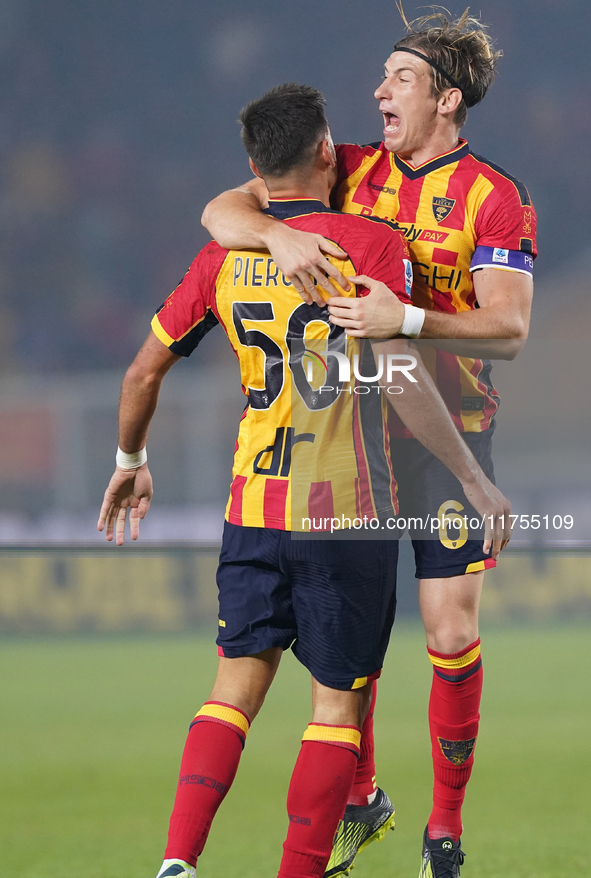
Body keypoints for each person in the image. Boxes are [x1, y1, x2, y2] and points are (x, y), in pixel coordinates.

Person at [98, 83, 510, 878]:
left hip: (251, 506)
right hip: (348, 514)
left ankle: (178, 859)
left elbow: (142, 373)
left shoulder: (224, 253)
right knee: (336, 709)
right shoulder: (371, 243)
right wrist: (472, 478)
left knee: (229, 694)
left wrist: (129, 463)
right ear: (327, 152)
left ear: (253, 170)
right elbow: (395, 372)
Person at [200, 10, 536, 878]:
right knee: (355, 627)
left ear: (446, 99)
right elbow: (221, 207)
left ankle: (445, 828)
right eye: (382, 76)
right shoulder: (348, 170)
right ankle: (366, 796)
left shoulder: (494, 196)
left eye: (399, 79)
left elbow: (506, 329)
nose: (378, 92)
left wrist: (409, 317)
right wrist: (275, 231)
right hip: (357, 439)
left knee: (447, 631)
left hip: (451, 434)